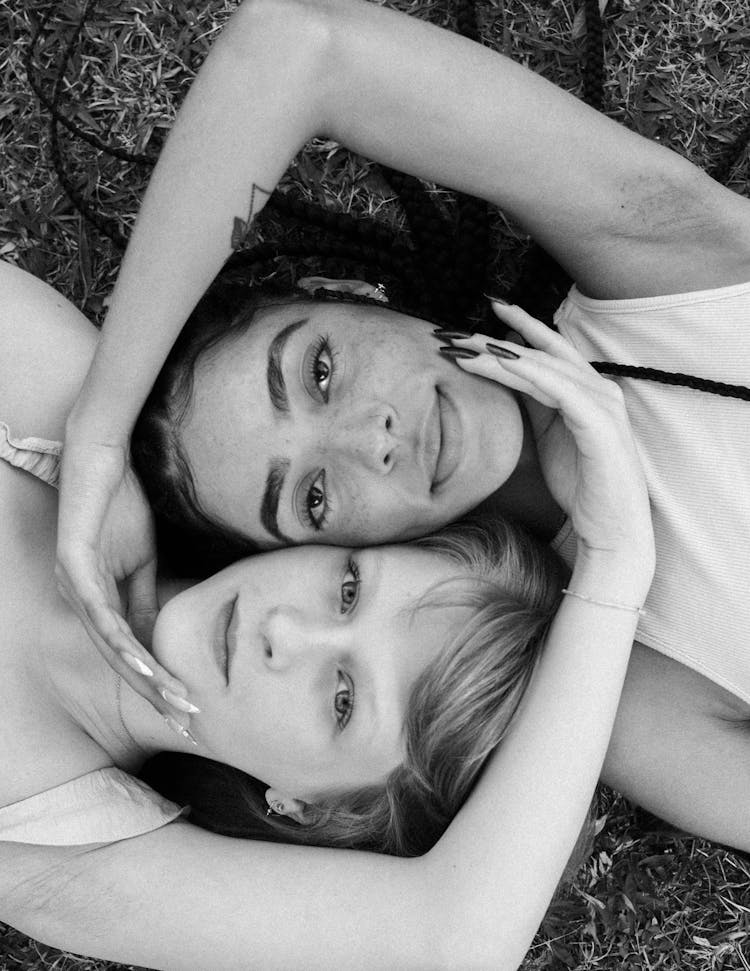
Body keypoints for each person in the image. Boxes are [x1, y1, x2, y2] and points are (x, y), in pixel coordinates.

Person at [55, 0, 750, 853]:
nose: (369, 440)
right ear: (331, 554)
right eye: (313, 494)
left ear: (356, 300)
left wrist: (98, 433)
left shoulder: (666, 271)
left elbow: (301, 46)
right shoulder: (628, 681)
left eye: (318, 370)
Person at [0, 254, 652, 969]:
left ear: (306, 806)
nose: (286, 630)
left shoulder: (68, 852)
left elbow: (458, 941)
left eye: (342, 698)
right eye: (347, 587)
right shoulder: (65, 416)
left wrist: (617, 565)